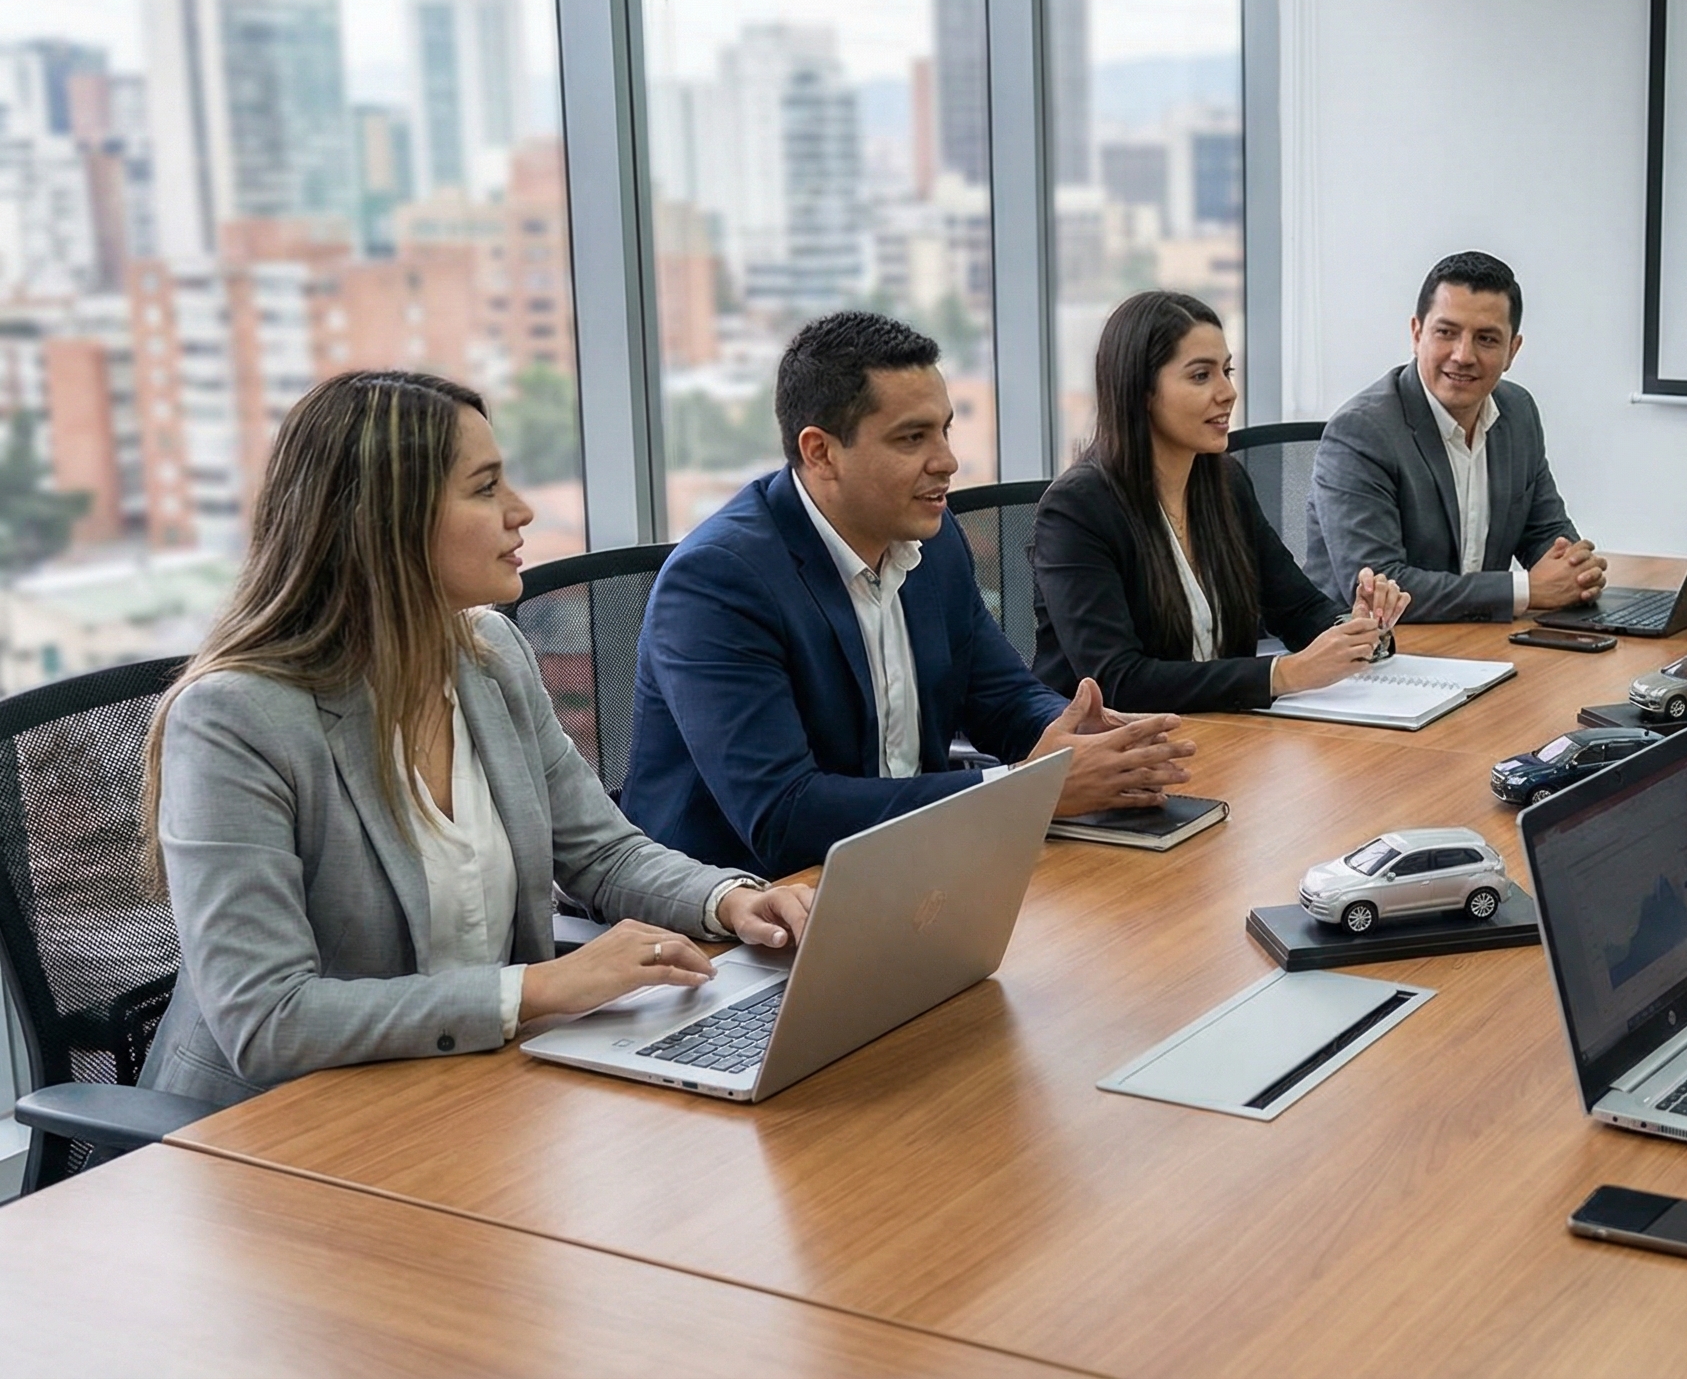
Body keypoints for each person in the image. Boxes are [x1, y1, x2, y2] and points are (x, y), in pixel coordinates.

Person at [140, 372, 816, 1106]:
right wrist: (536, 989)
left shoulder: (488, 656)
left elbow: (600, 851)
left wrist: (730, 900)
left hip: (468, 1091)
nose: (521, 511)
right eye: (486, 488)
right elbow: (269, 1018)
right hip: (273, 1124)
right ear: (385, 521)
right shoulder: (234, 719)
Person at [625, 311, 1194, 879]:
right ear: (820, 452)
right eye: (912, 438)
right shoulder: (717, 581)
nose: (947, 461)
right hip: (740, 904)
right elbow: (784, 816)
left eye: (945, 430)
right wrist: (1029, 787)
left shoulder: (932, 540)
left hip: (906, 867)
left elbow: (1000, 697)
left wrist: (1081, 737)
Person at [1033, 291, 1411, 712]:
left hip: (1223, 730)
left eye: (1226, 371)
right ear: (1141, 391)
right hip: (1115, 741)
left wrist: (1358, 628)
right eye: (1201, 376)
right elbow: (1118, 680)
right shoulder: (1076, 510)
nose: (1228, 392)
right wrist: (1283, 674)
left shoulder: (1225, 483)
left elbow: (1298, 609)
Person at [1305, 250, 1604, 622]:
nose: (1463, 355)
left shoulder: (1518, 412)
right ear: (1417, 334)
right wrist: (1528, 590)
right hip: (1373, 645)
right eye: (1446, 333)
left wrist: (1577, 572)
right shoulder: (1361, 432)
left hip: (1476, 639)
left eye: (1486, 339)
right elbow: (1378, 586)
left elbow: (1546, 532)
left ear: (1512, 351)